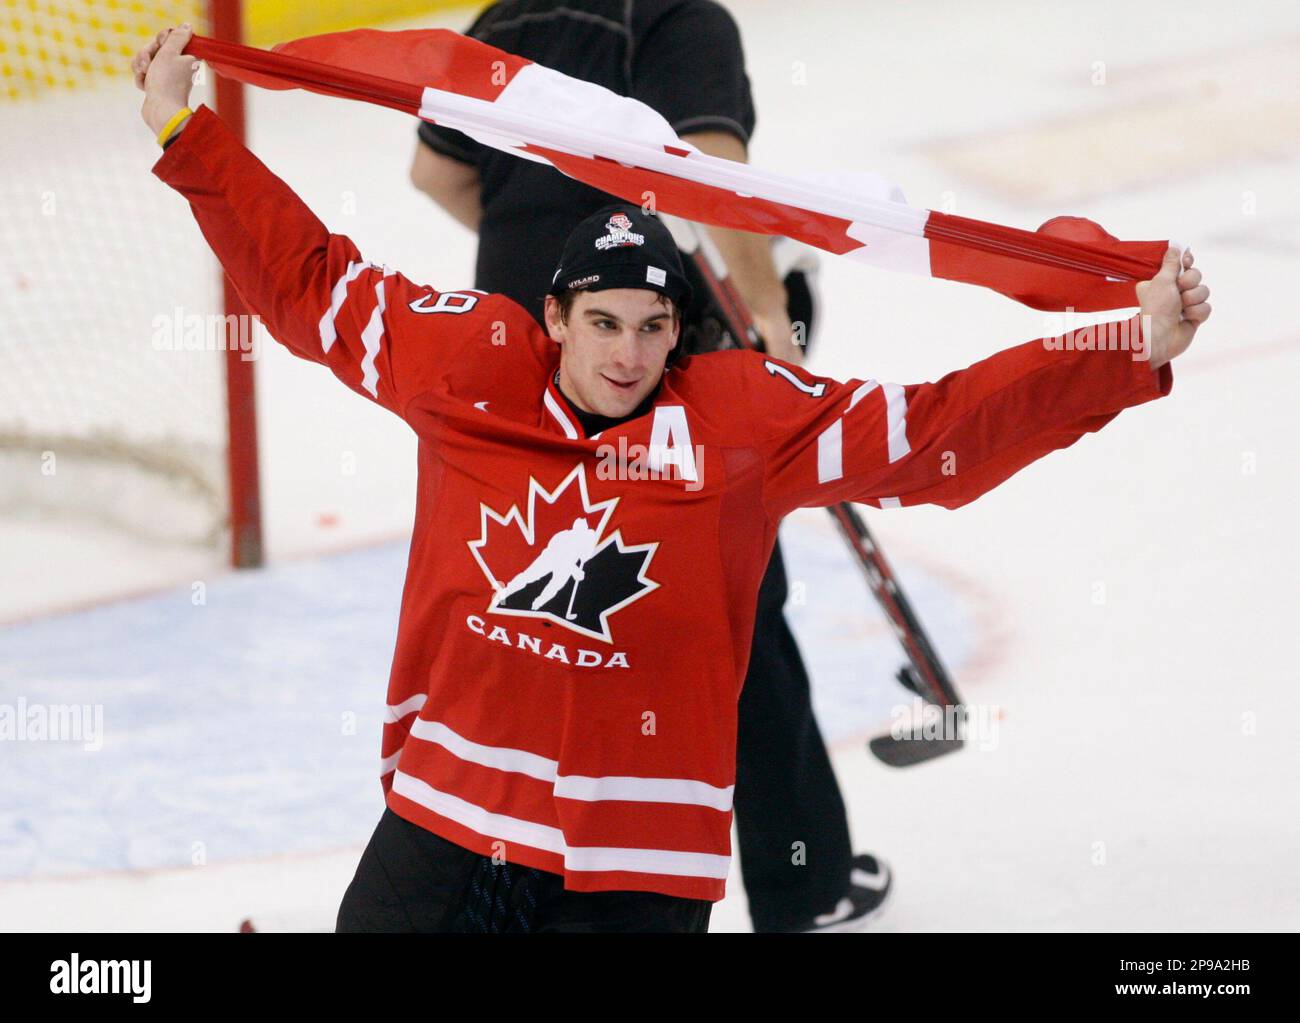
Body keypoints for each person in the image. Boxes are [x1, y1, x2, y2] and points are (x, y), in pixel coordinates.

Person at [134, 25, 1210, 934]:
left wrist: (1126, 346)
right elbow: (308, 282)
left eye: (651, 329)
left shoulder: (740, 421)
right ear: (551, 317)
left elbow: (934, 431)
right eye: (601, 323)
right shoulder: (465, 365)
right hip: (452, 813)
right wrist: (190, 134)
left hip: (637, 849)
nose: (625, 355)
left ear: (678, 335)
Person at [408, 0, 881, 933]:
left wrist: (538, 263)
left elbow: (435, 173)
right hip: (645, 371)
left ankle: (514, 881)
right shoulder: (677, 17)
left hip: (518, 377)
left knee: (529, 629)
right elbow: (710, 184)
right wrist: (775, 339)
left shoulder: (500, 19)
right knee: (726, 618)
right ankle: (805, 881)